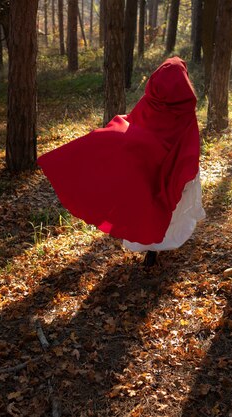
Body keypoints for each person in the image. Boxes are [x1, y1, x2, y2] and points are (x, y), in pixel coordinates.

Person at [37, 57, 205, 266]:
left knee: (149, 207)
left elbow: (136, 122)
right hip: (168, 166)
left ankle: (152, 248)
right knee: (165, 208)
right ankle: (154, 247)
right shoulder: (184, 108)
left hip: (147, 165)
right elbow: (188, 142)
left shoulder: (151, 101)